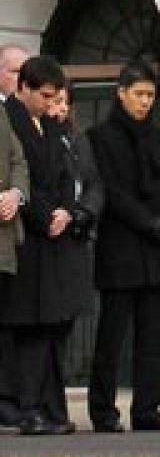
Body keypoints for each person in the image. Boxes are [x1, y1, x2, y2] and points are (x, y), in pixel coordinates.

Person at [1, 56, 97, 435]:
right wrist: (45, 215)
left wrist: (67, 212)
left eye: (55, 96)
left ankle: (50, 408)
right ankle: (29, 409)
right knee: (29, 330)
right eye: (43, 95)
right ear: (23, 87)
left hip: (53, 240)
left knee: (49, 328)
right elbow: (22, 174)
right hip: (28, 240)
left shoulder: (48, 125)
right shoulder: (11, 119)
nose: (50, 103)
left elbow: (62, 175)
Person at [87, 59, 160, 434]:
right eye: (139, 94)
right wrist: (148, 221)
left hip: (156, 249)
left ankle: (147, 410)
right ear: (121, 93)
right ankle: (103, 410)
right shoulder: (100, 137)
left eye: (150, 95)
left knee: (152, 337)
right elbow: (110, 191)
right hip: (121, 249)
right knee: (112, 336)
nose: (145, 102)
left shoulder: (158, 138)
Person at [0, 43, 29, 429]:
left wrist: (15, 195)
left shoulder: (7, 115)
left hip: (5, 238)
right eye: (15, 71)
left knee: (5, 325)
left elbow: (18, 161)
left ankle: (6, 398)